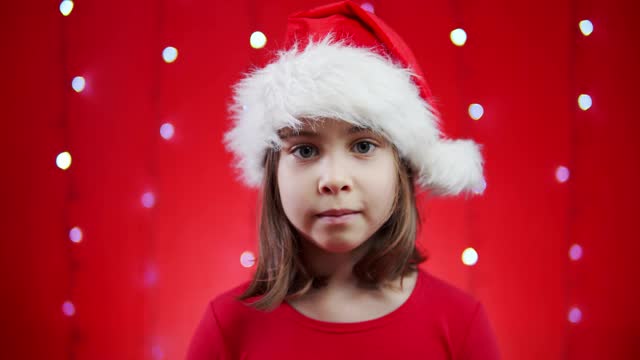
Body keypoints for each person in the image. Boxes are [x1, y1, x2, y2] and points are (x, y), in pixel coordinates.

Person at [186, 1, 500, 359]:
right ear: (273, 173)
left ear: (402, 167)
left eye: (363, 145)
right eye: (305, 150)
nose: (334, 180)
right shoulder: (229, 324)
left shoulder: (459, 322)